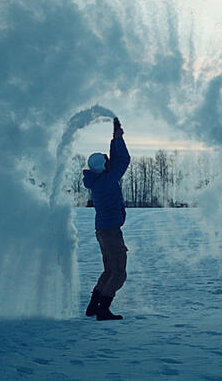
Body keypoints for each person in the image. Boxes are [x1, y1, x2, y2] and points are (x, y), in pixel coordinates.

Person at [82, 116, 131, 321]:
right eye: (106, 161)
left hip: (103, 231)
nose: (109, 161)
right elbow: (123, 161)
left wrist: (114, 138)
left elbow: (114, 162)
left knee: (109, 270)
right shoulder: (107, 181)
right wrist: (118, 139)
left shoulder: (99, 180)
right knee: (118, 273)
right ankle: (103, 310)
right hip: (110, 232)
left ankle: (93, 306)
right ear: (103, 167)